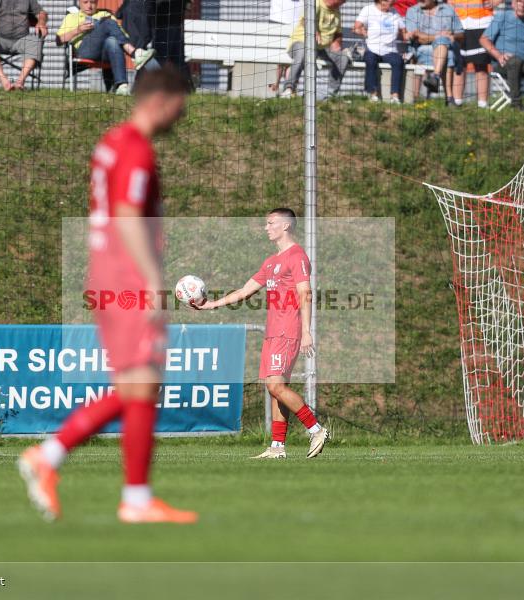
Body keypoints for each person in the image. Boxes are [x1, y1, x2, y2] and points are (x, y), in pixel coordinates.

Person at [18, 65, 197, 524]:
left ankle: (127, 495)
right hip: (127, 278)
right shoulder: (135, 149)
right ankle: (61, 460)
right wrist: (152, 278)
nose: (183, 114)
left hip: (107, 274)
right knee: (141, 383)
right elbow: (124, 214)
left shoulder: (111, 142)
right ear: (162, 100)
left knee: (138, 385)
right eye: (182, 104)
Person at [193, 209, 330, 460]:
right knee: (275, 388)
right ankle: (277, 447)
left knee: (276, 385)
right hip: (272, 332)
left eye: (271, 223)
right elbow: (245, 290)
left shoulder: (297, 255)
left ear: (286, 226)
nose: (266, 227)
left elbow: (305, 294)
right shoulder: (270, 262)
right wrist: (210, 304)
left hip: (288, 330)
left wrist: (307, 331)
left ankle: (316, 429)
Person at [56, 0, 156, 96]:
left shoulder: (104, 13)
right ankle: (135, 54)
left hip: (106, 53)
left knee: (112, 40)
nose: (89, 6)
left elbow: (123, 36)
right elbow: (58, 41)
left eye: (93, 2)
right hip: (85, 50)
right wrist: (78, 30)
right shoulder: (72, 17)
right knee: (107, 22)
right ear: (79, 2)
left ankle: (122, 86)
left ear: (97, 2)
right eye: (85, 2)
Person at [479, 0, 524, 111]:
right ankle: (516, 104)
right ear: (513, 4)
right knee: (514, 61)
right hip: (503, 63)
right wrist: (499, 55)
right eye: (519, 2)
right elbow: (484, 39)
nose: (522, 6)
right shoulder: (502, 17)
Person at [281, 0, 349, 98]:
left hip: (323, 48)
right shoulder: (316, 3)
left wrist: (337, 42)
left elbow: (338, 33)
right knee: (303, 52)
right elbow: (306, 20)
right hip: (301, 42)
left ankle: (330, 94)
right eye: (342, 1)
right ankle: (289, 89)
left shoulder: (336, 11)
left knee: (343, 57)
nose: (343, 3)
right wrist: (313, 30)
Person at [0, 0, 48, 91]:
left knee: (35, 41)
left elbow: (41, 12)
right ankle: (5, 81)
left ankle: (20, 82)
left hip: (21, 39)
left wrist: (41, 22)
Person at [447, 0, 502, 108]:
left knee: (481, 65)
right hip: (459, 24)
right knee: (459, 65)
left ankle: (482, 103)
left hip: (481, 23)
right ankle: (457, 101)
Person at [404, 0, 464, 99]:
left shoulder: (448, 9)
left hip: (445, 49)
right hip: (421, 49)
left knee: (448, 53)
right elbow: (418, 37)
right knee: (445, 49)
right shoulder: (412, 11)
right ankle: (449, 97)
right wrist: (439, 37)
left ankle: (435, 76)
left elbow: (461, 34)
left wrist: (453, 35)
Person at [354, 0, 405, 103]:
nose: (394, 1)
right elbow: (356, 28)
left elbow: (404, 32)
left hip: (390, 50)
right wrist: (361, 31)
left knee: (398, 61)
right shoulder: (368, 10)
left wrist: (410, 35)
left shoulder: (395, 12)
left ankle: (395, 96)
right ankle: (373, 95)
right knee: (370, 60)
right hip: (372, 48)